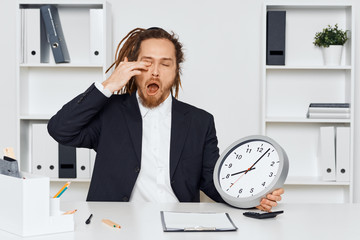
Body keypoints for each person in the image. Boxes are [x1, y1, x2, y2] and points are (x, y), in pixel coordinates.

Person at [48, 27, 283, 211]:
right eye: (147, 63)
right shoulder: (110, 112)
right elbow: (60, 130)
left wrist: (251, 198)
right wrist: (109, 85)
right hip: (117, 225)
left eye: (165, 64)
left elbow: (212, 183)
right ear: (133, 68)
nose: (155, 72)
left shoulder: (200, 121)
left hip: (178, 224)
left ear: (176, 70)